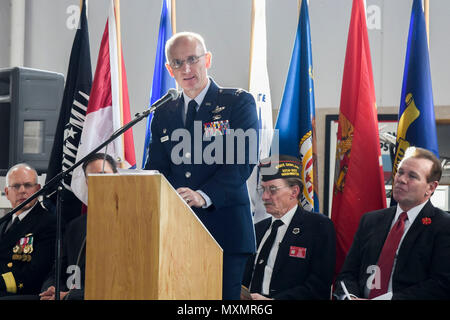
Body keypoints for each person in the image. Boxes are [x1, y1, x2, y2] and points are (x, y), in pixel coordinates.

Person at [144, 32, 259, 300]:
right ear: (168, 69)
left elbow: (241, 162)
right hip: (175, 231)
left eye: (192, 59)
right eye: (177, 62)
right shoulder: (163, 111)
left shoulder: (237, 102)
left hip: (224, 228)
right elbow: (157, 168)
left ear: (207, 59)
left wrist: (202, 195)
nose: (186, 69)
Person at [334, 146, 450, 300]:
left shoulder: (442, 226)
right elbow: (347, 273)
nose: (401, 179)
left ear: (431, 187)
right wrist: (350, 297)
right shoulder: (370, 220)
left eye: (412, 176)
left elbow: (441, 285)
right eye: (400, 172)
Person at [241, 155, 336, 300]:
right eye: (263, 189)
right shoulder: (258, 229)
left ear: (294, 192)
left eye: (272, 190)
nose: (265, 197)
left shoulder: (318, 227)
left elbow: (319, 286)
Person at [39, 153, 118, 300]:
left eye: (103, 175)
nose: (98, 182)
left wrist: (68, 296)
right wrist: (52, 289)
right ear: (87, 183)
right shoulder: (75, 226)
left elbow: (118, 284)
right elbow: (56, 272)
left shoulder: (128, 224)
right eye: (92, 177)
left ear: (116, 177)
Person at [0, 163, 56, 297]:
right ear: (7, 193)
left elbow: (35, 274)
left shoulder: (49, 223)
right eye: (16, 186)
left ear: (38, 189)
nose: (22, 191)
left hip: (22, 294)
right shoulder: (3, 223)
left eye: (28, 185)